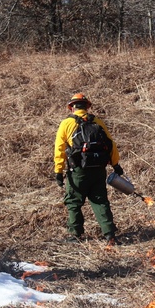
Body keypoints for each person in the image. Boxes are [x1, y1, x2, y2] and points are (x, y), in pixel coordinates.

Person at [53, 93, 124, 246]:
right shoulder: (97, 121)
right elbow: (110, 144)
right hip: (99, 169)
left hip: (78, 170)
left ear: (72, 107)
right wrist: (115, 164)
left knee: (73, 201)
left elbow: (59, 149)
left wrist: (58, 171)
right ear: (87, 107)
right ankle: (110, 234)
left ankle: (75, 235)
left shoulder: (66, 124)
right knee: (100, 201)